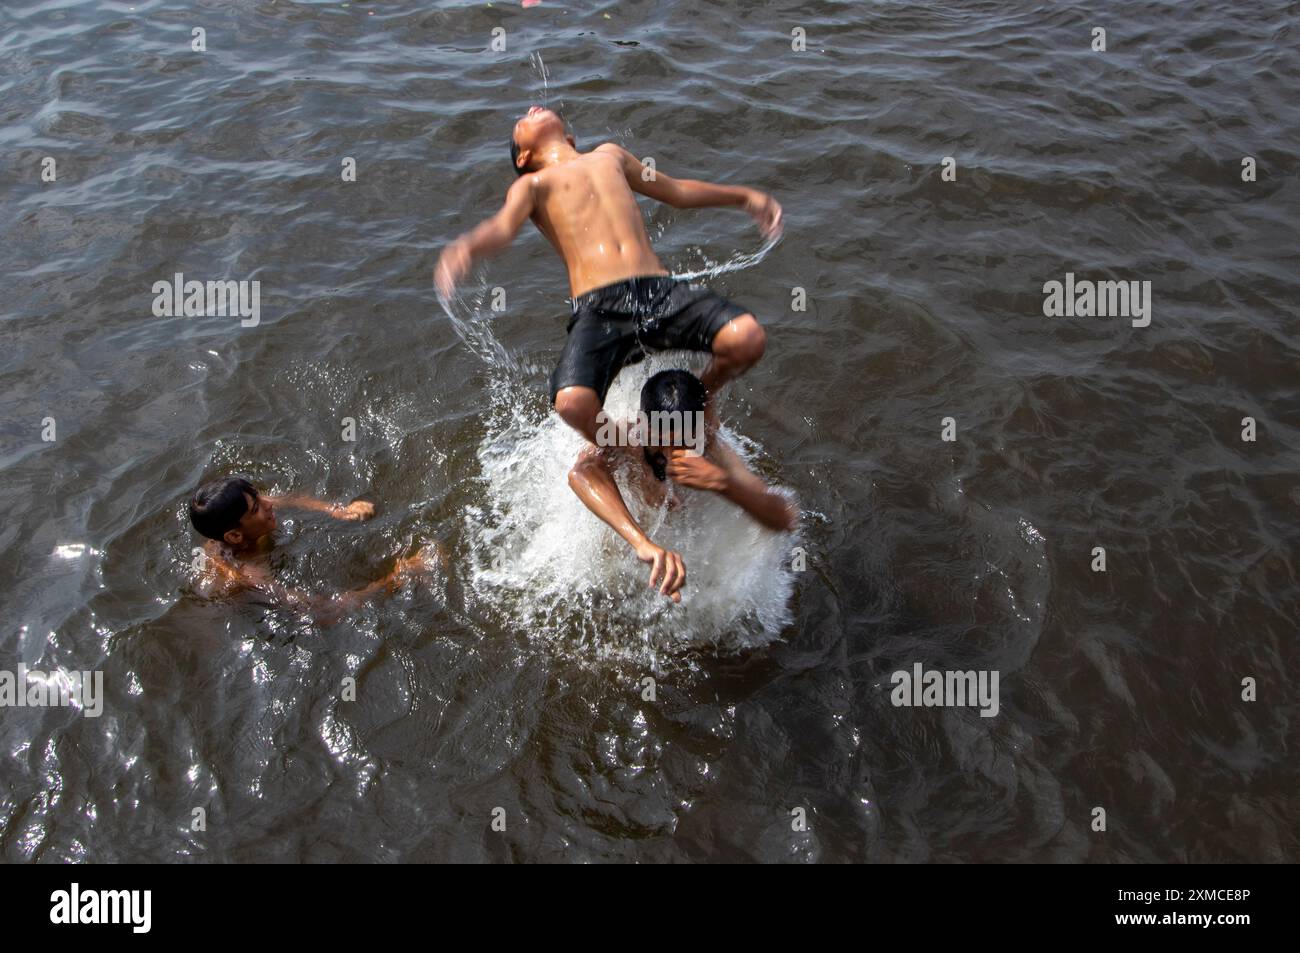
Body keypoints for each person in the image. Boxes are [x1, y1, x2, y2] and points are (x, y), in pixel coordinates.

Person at [434, 106, 782, 445]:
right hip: (599, 308)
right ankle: (626, 452)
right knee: (572, 402)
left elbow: (676, 192)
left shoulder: (609, 155)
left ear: (571, 137)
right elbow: (502, 228)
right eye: (523, 120)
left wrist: (745, 197)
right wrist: (466, 248)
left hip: (658, 291)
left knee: (746, 339)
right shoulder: (532, 186)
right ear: (523, 157)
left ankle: (703, 398)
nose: (533, 107)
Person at [566, 370, 797, 603]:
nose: (670, 454)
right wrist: (641, 542)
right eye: (661, 441)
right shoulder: (626, 436)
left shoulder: (711, 448)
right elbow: (581, 473)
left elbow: (785, 519)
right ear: (643, 423)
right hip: (630, 534)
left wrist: (722, 483)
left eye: (683, 443)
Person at [187, 477, 438, 622]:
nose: (268, 503)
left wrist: (337, 510)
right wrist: (397, 576)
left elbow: (288, 499)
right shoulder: (251, 573)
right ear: (234, 535)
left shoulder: (247, 522)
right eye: (256, 508)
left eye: (259, 496)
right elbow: (324, 612)